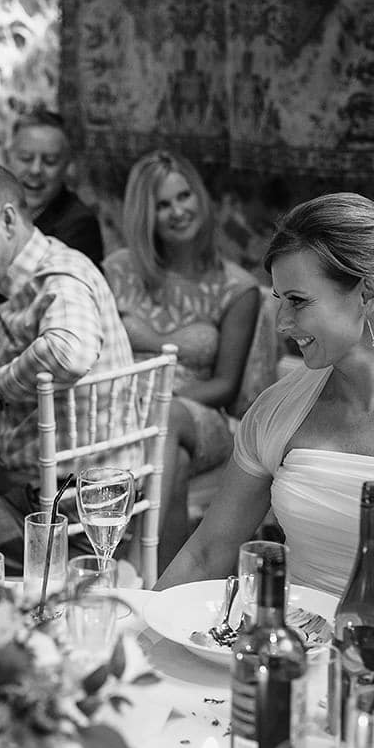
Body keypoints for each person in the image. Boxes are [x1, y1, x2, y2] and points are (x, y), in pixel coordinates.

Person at [157, 192, 374, 641]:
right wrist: (136, 645)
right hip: (294, 666)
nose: (282, 321)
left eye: (298, 300)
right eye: (279, 299)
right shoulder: (274, 412)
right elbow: (207, 553)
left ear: (366, 292)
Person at [0, 162, 135, 549]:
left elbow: (67, 352)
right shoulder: (27, 283)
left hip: (71, 510)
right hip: (51, 494)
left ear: (7, 220)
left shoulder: (58, 277)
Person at [104, 150, 260, 566]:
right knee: (172, 454)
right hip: (122, 411)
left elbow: (227, 384)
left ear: (200, 198)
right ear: (144, 215)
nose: (178, 211)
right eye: (162, 204)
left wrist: (154, 408)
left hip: (201, 414)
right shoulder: (118, 270)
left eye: (184, 196)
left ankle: (135, 571)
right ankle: (158, 581)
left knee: (168, 419)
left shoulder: (237, 288)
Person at [7, 109, 104, 267]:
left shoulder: (80, 225)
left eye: (50, 161)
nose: (36, 170)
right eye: (26, 158)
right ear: (8, 157)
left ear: (67, 165)